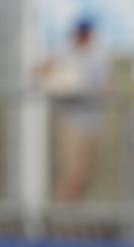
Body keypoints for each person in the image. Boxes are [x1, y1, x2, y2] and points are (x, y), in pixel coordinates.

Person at [37, 18, 110, 202]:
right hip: (71, 123)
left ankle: (75, 214)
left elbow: (105, 87)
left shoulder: (98, 56)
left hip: (92, 124)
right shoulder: (64, 53)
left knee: (87, 173)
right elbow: (42, 72)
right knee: (71, 171)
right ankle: (61, 216)